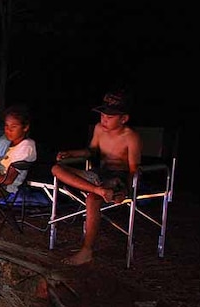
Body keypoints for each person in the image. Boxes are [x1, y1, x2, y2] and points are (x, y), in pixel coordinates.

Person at [51, 91, 141, 266]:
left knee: (92, 200)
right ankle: (97, 190)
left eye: (110, 116)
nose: (104, 119)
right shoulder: (99, 129)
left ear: (124, 119)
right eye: (102, 114)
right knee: (56, 168)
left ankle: (86, 251)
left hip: (117, 179)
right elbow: (91, 151)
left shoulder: (131, 137)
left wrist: (126, 191)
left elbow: (133, 170)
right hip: (99, 176)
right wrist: (71, 153)